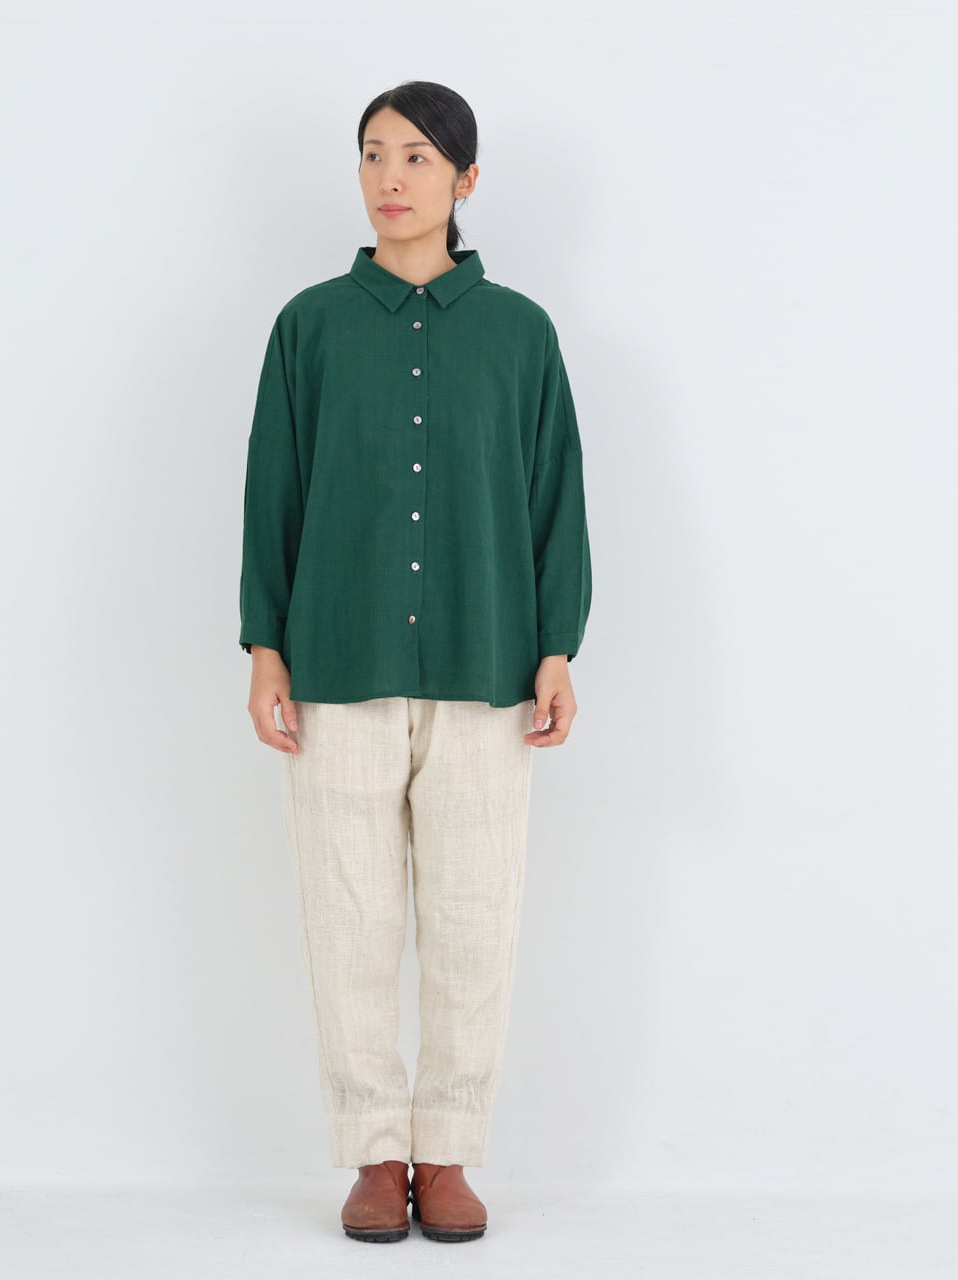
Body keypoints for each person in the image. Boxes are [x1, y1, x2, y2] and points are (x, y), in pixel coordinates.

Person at [238, 80, 592, 1243]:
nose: (390, 178)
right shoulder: (307, 327)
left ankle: (445, 1148)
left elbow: (554, 497)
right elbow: (272, 492)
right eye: (372, 154)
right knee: (346, 915)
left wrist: (555, 644)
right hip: (334, 661)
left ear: (464, 179)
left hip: (488, 665)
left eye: (417, 157)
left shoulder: (520, 334)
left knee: (474, 914)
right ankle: (371, 1150)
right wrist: (265, 646)